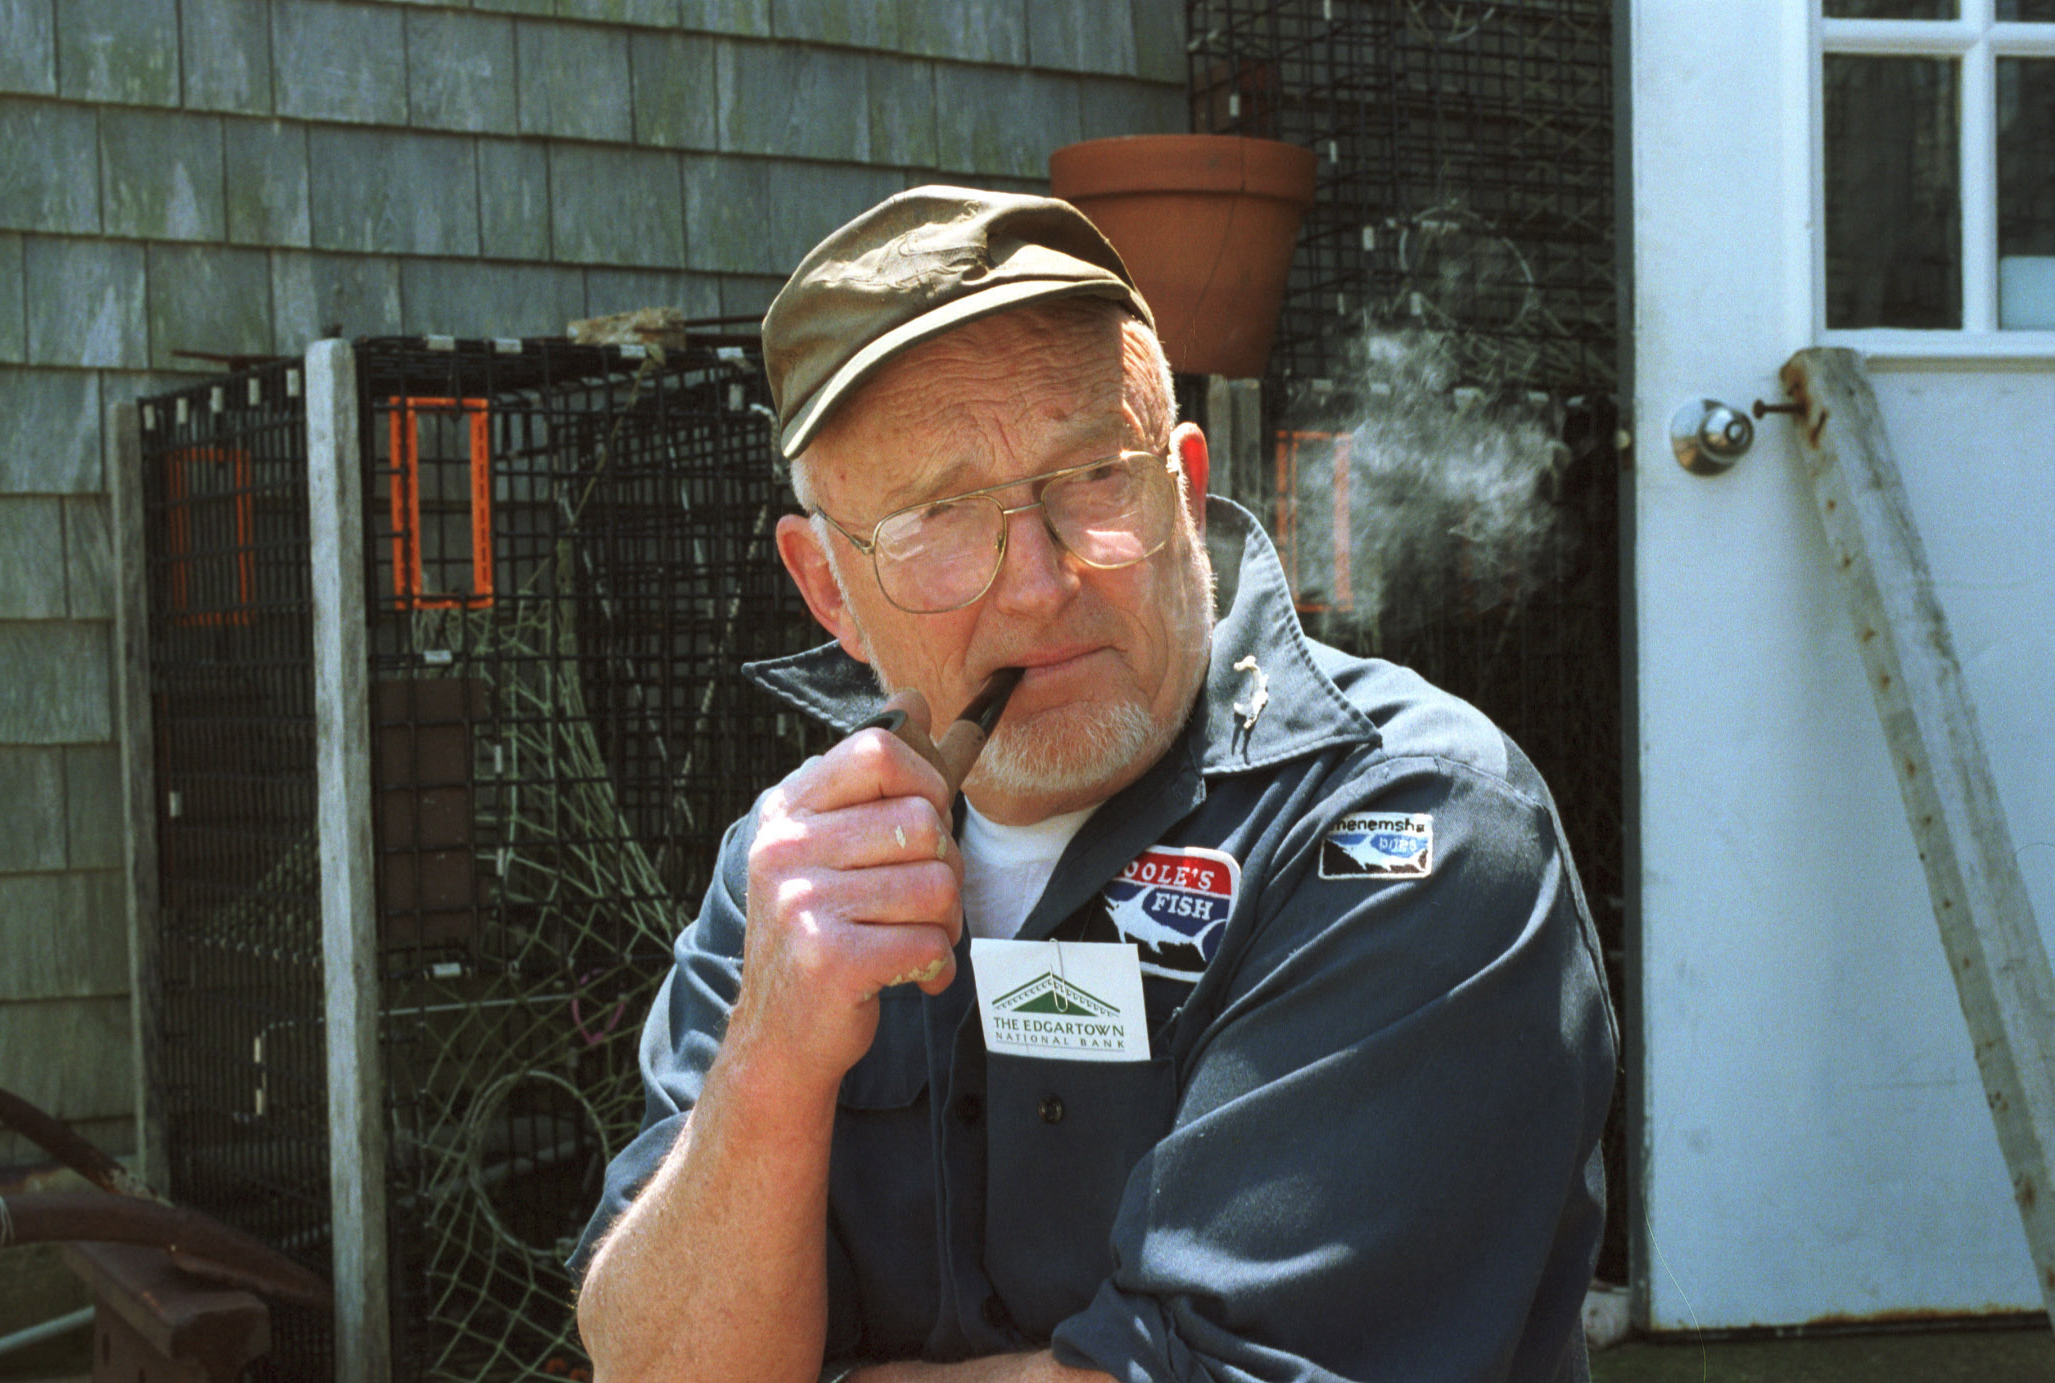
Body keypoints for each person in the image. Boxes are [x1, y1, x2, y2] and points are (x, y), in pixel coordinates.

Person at [571, 186, 1618, 1383]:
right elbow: (650, 1363)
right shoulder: (793, 871)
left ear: (1184, 488)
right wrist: (770, 1056)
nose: (1037, 583)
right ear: (827, 590)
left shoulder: (1408, 828)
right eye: (939, 517)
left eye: (1092, 478)